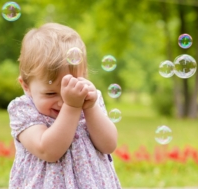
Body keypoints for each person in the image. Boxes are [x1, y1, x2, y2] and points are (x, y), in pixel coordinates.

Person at [7, 23, 122, 188]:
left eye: (69, 87)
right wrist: (72, 107)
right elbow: (48, 151)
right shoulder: (23, 109)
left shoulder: (89, 100)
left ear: (83, 76)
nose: (63, 101)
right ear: (26, 86)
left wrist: (90, 108)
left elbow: (109, 145)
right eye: (50, 93)